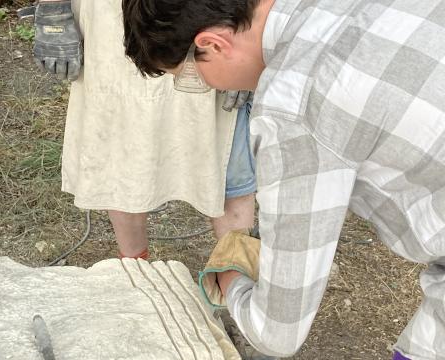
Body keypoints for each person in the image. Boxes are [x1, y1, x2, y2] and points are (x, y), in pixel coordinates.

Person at [121, 0, 445, 359]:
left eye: (192, 78)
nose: (208, 87)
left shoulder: (292, 108)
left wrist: (229, 279)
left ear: (213, 45)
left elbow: (276, 333)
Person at [32, 0, 256, 260]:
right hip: (111, 18)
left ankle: (239, 275)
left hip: (212, 12)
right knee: (122, 143)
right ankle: (135, 271)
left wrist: (246, 41)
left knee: (228, 156)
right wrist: (53, 11)